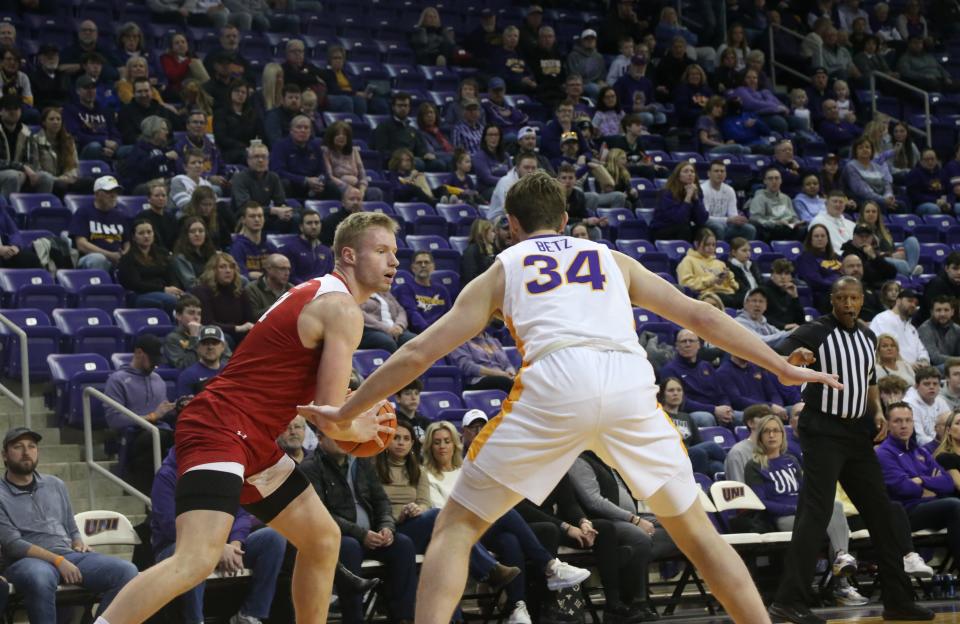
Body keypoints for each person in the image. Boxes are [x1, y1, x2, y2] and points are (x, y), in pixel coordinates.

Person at [302, 171, 844, 624]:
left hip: (556, 381)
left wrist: (346, 410)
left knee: (458, 527)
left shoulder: (504, 268)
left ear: (510, 226)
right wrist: (777, 364)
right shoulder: (612, 259)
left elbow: (418, 353)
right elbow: (703, 316)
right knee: (699, 535)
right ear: (565, 220)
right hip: (629, 382)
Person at [97, 212, 399, 624]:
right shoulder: (341, 309)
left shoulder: (314, 294)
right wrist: (355, 425)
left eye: (394, 252)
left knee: (324, 540)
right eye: (381, 251)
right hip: (221, 424)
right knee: (196, 559)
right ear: (348, 254)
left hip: (252, 436)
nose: (393, 261)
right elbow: (328, 417)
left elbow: (305, 398)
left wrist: (346, 414)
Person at [768, 277, 934, 624]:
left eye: (853, 298)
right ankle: (788, 600)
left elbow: (869, 381)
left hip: (857, 432)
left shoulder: (867, 336)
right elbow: (783, 361)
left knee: (883, 513)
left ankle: (897, 600)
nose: (847, 304)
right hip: (823, 430)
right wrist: (795, 360)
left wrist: (876, 412)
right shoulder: (815, 331)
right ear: (832, 300)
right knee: (815, 513)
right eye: (841, 298)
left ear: (861, 301)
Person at [0, 427, 138, 623]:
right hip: (25, 562)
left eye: (32, 446)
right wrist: (57, 561)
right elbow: (13, 544)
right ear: (5, 455)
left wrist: (77, 540)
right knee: (40, 578)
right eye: (18, 447)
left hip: (68, 555)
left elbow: (70, 525)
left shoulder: (55, 484)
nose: (26, 452)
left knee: (126, 572)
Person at [150, 445, 286, 624]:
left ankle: (250, 615)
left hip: (225, 547)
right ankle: (195, 620)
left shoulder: (220, 469)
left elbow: (241, 512)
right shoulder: (166, 476)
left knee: (273, 537)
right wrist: (215, 547)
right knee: (193, 553)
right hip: (177, 549)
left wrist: (236, 543)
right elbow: (172, 526)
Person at [745, 415, 868, 606]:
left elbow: (807, 491)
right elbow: (762, 502)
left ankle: (841, 559)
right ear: (760, 436)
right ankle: (841, 584)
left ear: (782, 435)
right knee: (829, 520)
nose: (771, 435)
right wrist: (796, 508)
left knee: (835, 506)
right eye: (767, 431)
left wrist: (809, 507)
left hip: (804, 513)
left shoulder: (791, 461)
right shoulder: (754, 465)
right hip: (781, 517)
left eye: (775, 430)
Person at [300, 430, 418, 624]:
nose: (343, 440)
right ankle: (354, 618)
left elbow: (381, 501)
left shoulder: (362, 461)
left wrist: (387, 527)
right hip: (338, 537)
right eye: (336, 435)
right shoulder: (311, 467)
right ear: (320, 438)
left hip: (371, 534)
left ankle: (403, 617)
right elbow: (321, 514)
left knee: (403, 545)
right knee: (349, 547)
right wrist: (361, 534)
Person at [876, 402, 960, 570]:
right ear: (888, 423)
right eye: (898, 421)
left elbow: (947, 483)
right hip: (905, 513)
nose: (904, 425)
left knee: (952, 503)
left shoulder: (920, 452)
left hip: (928, 507)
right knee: (954, 506)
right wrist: (928, 485)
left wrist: (921, 480)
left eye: (908, 420)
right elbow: (902, 488)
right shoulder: (884, 453)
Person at [104, 334, 176, 493]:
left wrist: (175, 408)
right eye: (153, 359)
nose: (155, 365)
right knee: (160, 438)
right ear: (138, 353)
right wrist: (152, 417)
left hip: (160, 431)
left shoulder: (158, 379)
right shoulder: (118, 380)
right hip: (134, 434)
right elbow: (114, 420)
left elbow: (162, 412)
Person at [659, 377, 727, 476]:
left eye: (679, 390)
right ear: (663, 394)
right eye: (671, 390)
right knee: (707, 448)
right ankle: (733, 462)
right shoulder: (660, 416)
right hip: (674, 455)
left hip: (692, 455)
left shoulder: (687, 417)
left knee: (716, 466)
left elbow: (698, 442)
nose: (675, 393)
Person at [191, 252, 257, 347]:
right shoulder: (201, 291)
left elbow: (250, 320)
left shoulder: (240, 292)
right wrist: (237, 328)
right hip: (212, 334)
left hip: (239, 334)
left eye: (231, 267)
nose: (228, 271)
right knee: (226, 339)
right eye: (222, 267)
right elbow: (208, 323)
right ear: (213, 270)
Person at [117, 219, 182, 313]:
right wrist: (163, 289)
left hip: (164, 291)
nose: (146, 236)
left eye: (149, 232)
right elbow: (135, 284)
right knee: (170, 301)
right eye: (141, 233)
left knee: (191, 300)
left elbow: (171, 276)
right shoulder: (127, 259)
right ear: (134, 237)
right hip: (141, 294)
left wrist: (175, 290)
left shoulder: (162, 254)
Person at [68, 175, 130, 272]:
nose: (113, 195)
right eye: (108, 192)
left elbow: (127, 242)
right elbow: (81, 244)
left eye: (116, 192)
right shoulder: (84, 212)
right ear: (97, 194)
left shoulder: (121, 215)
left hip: (118, 259)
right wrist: (109, 255)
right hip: (90, 258)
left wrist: (125, 255)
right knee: (98, 259)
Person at [231, 142, 295, 235]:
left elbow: (280, 202)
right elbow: (245, 207)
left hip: (266, 217)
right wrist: (274, 210)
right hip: (245, 219)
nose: (260, 160)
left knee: (295, 218)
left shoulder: (273, 177)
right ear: (248, 160)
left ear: (268, 160)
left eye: (264, 157)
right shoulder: (239, 178)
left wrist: (285, 210)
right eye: (256, 157)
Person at [676, 227, 739, 307]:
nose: (711, 248)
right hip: (707, 296)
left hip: (727, 294)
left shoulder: (719, 263)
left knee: (748, 298)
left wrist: (728, 277)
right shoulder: (688, 261)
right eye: (707, 245)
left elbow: (735, 286)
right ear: (696, 244)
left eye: (713, 245)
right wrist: (712, 280)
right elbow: (686, 284)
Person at [870, 288, 930, 369]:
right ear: (898, 301)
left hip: (914, 370)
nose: (913, 305)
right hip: (891, 369)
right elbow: (885, 349)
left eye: (916, 303)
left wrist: (924, 361)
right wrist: (907, 365)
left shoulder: (911, 328)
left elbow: (921, 349)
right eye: (910, 301)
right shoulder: (883, 319)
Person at [394, 251, 451, 334]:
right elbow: (412, 315)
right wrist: (431, 332)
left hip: (443, 333)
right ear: (413, 267)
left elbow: (449, 315)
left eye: (427, 262)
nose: (423, 265)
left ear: (433, 267)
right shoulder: (405, 289)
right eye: (419, 263)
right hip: (422, 334)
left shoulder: (442, 290)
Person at [650, 161, 707, 242]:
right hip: (662, 229)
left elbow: (701, 220)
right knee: (684, 229)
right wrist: (688, 197)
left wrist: (696, 199)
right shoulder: (667, 193)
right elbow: (678, 219)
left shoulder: (697, 191)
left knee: (704, 231)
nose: (690, 174)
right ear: (678, 176)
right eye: (686, 171)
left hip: (683, 227)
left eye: (692, 171)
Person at [700, 160, 756, 241]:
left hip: (726, 225)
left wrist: (738, 219)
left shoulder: (729, 190)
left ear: (725, 174)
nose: (720, 173)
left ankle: (741, 251)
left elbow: (732, 214)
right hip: (706, 225)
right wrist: (728, 220)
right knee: (719, 227)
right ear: (708, 173)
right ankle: (720, 251)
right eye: (716, 171)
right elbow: (705, 218)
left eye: (722, 171)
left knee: (750, 229)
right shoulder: (703, 189)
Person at [450, 329, 516, 394]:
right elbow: (468, 367)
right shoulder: (459, 342)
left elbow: (507, 364)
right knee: (505, 382)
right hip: (478, 380)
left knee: (522, 379)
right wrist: (499, 374)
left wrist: (511, 373)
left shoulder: (494, 341)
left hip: (503, 377)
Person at [749, 168, 805, 242]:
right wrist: (775, 223)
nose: (774, 181)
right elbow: (755, 218)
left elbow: (793, 216)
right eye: (770, 179)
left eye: (777, 178)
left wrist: (797, 222)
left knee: (805, 229)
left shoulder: (786, 198)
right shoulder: (759, 198)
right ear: (765, 181)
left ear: (781, 181)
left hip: (787, 227)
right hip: (771, 229)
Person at [796, 224, 841, 311]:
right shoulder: (805, 258)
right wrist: (837, 283)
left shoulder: (837, 257)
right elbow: (815, 281)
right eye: (816, 236)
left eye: (823, 236)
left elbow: (848, 272)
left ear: (827, 238)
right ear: (810, 239)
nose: (820, 238)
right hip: (822, 297)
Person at [904, 366, 952, 446]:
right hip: (921, 449)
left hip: (943, 444)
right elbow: (919, 438)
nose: (931, 387)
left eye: (935, 384)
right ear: (916, 386)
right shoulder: (909, 405)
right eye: (927, 384)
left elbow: (951, 426)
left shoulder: (941, 401)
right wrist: (944, 445)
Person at [724, 404, 772, 482]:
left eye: (770, 418)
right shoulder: (738, 452)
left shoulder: (776, 449)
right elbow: (739, 488)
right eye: (763, 417)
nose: (769, 421)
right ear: (750, 423)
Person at [284, 209, 333, 285]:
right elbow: (290, 276)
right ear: (301, 227)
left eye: (317, 223)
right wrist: (308, 287)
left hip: (323, 292)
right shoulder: (290, 249)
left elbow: (331, 276)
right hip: (299, 292)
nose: (314, 226)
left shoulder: (326, 251)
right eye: (309, 223)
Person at [231, 202, 278, 281]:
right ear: (243, 220)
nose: (257, 219)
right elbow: (241, 277)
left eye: (260, 216)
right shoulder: (237, 247)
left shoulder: (270, 246)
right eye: (252, 216)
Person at [359, 288, 415, 353]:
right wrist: (386, 329)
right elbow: (360, 314)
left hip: (396, 328)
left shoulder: (385, 292)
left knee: (414, 340)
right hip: (371, 329)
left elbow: (400, 310)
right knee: (388, 343)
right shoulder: (360, 293)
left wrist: (399, 325)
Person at [163, 294, 209, 369]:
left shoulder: (209, 333)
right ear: (178, 316)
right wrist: (194, 337)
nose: (196, 317)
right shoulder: (172, 339)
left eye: (199, 314)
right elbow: (185, 366)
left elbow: (227, 358)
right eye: (191, 313)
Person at [172, 215, 218, 290]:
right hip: (195, 294)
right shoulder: (180, 258)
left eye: (201, 231)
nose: (197, 234)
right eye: (192, 231)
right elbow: (192, 285)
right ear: (186, 235)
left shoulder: (211, 253)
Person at [245, 253, 293, 319]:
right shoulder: (252, 289)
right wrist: (277, 307)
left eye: (288, 269)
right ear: (269, 269)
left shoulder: (291, 289)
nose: (287, 273)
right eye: (282, 269)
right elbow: (252, 317)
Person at [919, 296, 960, 367]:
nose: (942, 314)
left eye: (946, 310)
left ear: (952, 312)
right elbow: (935, 358)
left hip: (953, 366)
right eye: (938, 310)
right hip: (932, 368)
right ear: (932, 312)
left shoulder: (957, 329)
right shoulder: (925, 328)